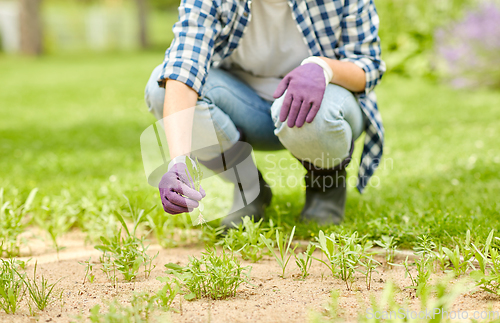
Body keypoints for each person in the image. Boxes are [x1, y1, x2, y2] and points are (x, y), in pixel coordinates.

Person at [144, 0, 386, 228]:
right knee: (161, 89)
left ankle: (325, 186)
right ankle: (249, 187)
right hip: (245, 106)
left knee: (318, 113)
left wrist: (324, 68)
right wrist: (179, 163)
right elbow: (183, 68)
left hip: (324, 103)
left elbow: (369, 65)